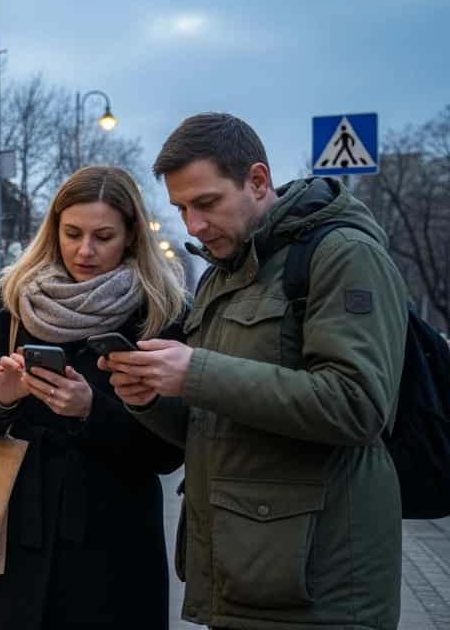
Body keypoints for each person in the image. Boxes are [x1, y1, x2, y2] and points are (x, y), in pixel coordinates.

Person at [107, 113, 408, 630]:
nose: (194, 226)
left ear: (258, 180)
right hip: (246, 578)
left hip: (322, 594)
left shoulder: (342, 255)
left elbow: (358, 406)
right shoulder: (225, 275)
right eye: (181, 208)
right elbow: (212, 425)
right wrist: (150, 398)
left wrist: (196, 371)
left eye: (206, 203)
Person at [0, 166, 187, 630]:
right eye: (72, 233)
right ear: (54, 230)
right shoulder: (19, 299)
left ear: (130, 236)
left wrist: (90, 411)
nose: (85, 250)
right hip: (18, 540)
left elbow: (168, 451)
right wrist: (2, 400)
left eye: (103, 236)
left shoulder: (160, 310)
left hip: (113, 545)